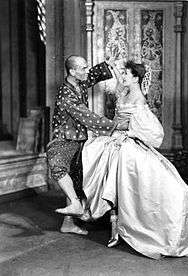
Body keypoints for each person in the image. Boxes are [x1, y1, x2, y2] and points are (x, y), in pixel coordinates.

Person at [82, 60, 188, 258]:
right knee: (103, 169)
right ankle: (112, 227)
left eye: (127, 74)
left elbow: (151, 132)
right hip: (114, 141)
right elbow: (117, 112)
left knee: (155, 187)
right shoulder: (125, 92)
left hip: (127, 143)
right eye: (123, 74)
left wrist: (126, 133)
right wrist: (110, 130)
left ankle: (145, 228)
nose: (123, 77)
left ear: (136, 78)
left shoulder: (138, 98)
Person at [46, 55, 128, 235]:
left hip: (79, 139)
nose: (86, 70)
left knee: (75, 181)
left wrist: (108, 65)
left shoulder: (80, 81)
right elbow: (86, 116)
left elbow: (93, 75)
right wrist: (114, 125)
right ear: (72, 71)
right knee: (57, 167)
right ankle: (75, 205)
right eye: (82, 68)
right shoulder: (65, 93)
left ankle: (68, 223)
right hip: (64, 138)